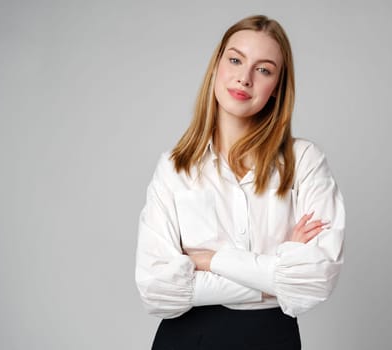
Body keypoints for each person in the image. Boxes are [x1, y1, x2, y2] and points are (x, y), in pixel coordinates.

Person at [135, 14, 345, 350]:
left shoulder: (304, 161)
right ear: (216, 67)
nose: (244, 78)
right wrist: (273, 279)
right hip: (187, 340)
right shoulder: (174, 168)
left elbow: (313, 282)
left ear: (277, 87)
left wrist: (208, 260)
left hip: (271, 339)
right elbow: (156, 288)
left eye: (263, 69)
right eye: (235, 60)